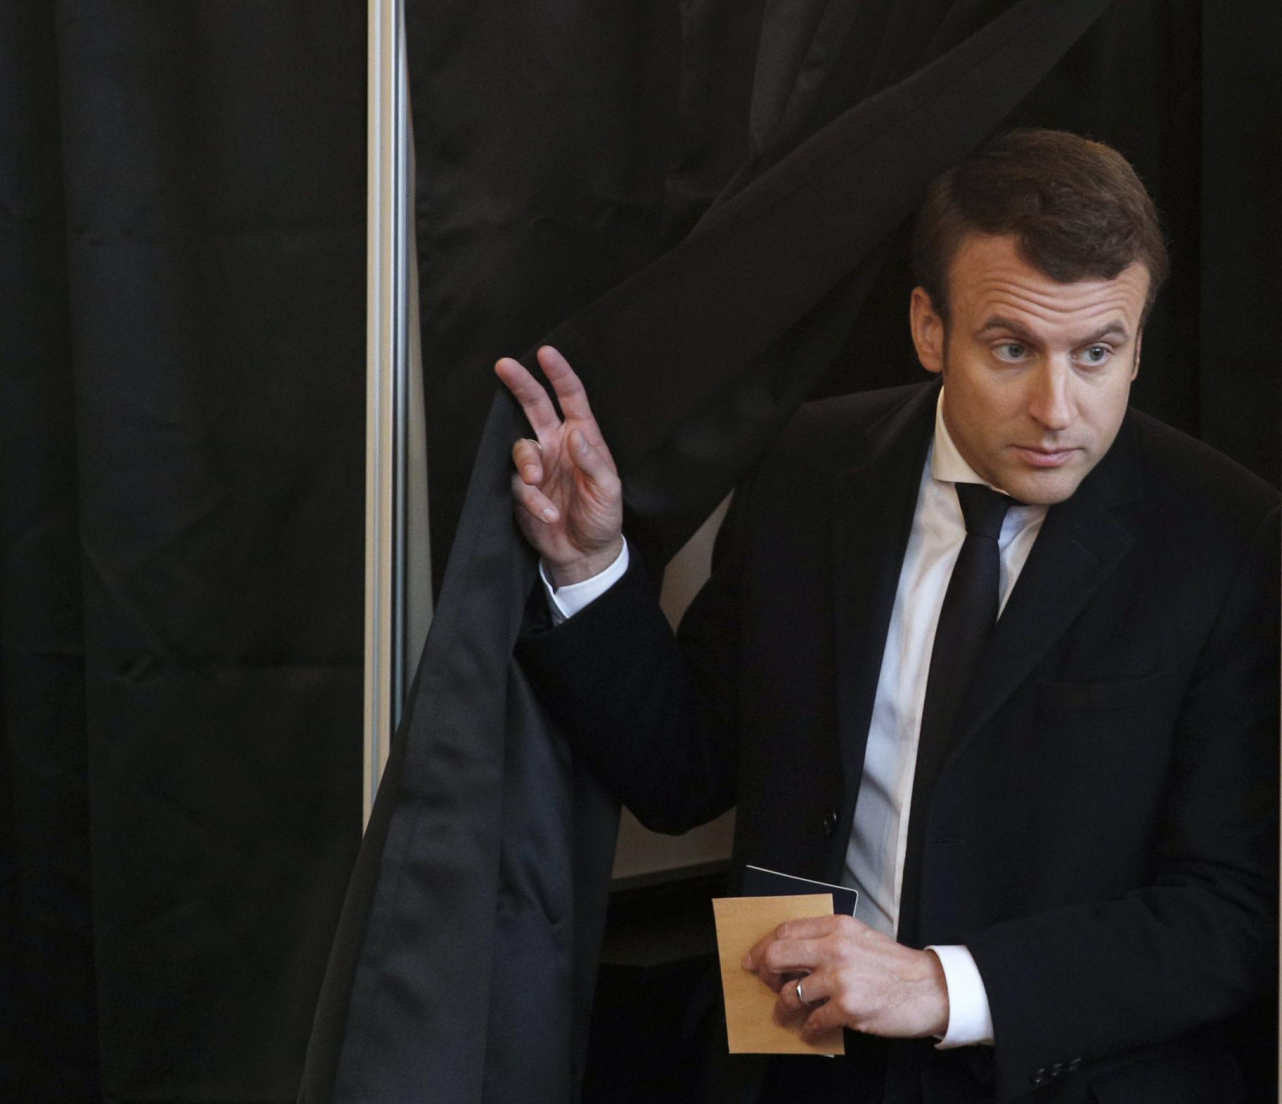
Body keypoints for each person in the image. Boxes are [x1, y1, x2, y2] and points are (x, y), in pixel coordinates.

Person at [495, 128, 1278, 1103]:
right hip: (802, 1069)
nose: (1057, 408)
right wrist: (588, 567)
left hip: (1068, 1076)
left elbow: (1240, 911)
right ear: (928, 329)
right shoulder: (808, 469)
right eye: (1012, 348)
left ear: (1138, 344)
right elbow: (684, 771)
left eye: (1097, 353)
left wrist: (947, 987)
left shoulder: (1228, 537)